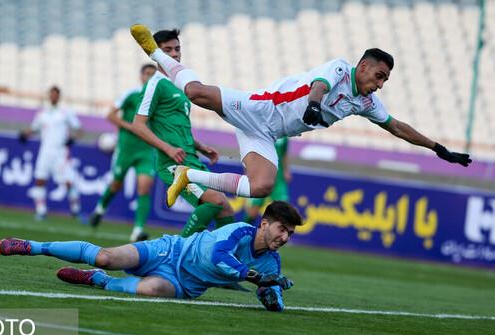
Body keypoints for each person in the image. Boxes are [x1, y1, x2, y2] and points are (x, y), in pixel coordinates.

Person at [129, 24, 472, 206]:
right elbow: (320, 84)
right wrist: (312, 103)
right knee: (196, 92)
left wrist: (438, 148)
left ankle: (189, 176)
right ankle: (157, 53)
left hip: (266, 133)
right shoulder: (340, 68)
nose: (379, 85)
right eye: (378, 76)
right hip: (259, 107)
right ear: (363, 66)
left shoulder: (366, 102)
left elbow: (397, 127)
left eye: (384, 80)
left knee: (262, 186)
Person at [0, 201, 302, 311]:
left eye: (289, 233)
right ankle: (32, 245)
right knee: (105, 256)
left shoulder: (271, 262)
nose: (284, 237)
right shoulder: (239, 231)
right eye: (281, 229)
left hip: (185, 285)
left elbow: (271, 295)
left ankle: (99, 282)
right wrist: (255, 277)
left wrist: (272, 295)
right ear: (264, 223)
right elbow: (218, 257)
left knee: (150, 290)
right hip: (168, 250)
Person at [130, 28, 235, 237]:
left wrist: (200, 146)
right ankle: (177, 253)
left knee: (225, 209)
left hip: (191, 159)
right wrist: (168, 148)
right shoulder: (156, 84)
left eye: (177, 48)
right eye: (168, 50)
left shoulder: (181, 84)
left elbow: (176, 127)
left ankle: (222, 259)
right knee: (216, 201)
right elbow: (138, 125)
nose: (175, 54)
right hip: (173, 165)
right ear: (157, 54)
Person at [90, 64, 157, 242]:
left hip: (146, 151)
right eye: (147, 74)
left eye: (153, 74)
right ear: (141, 76)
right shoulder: (131, 94)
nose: (149, 77)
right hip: (126, 148)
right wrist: (132, 127)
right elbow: (110, 115)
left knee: (144, 187)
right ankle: (100, 209)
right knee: (115, 185)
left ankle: (137, 230)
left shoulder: (159, 99)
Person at [19, 86, 83, 220]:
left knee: (68, 181)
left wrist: (73, 138)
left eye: (55, 94)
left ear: (59, 96)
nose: (53, 97)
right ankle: (41, 210)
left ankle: (75, 210)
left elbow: (78, 129)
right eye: (51, 94)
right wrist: (25, 134)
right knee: (40, 180)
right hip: (45, 151)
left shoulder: (66, 112)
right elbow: (34, 128)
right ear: (48, 96)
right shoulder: (42, 113)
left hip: (61, 152)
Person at [244, 137, 291, 225]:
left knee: (283, 210)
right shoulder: (261, 132)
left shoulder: (284, 135)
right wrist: (248, 170)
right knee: (252, 212)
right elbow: (250, 152)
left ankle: (275, 237)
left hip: (278, 178)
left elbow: (284, 153)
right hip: (261, 177)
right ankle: (244, 232)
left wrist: (286, 170)